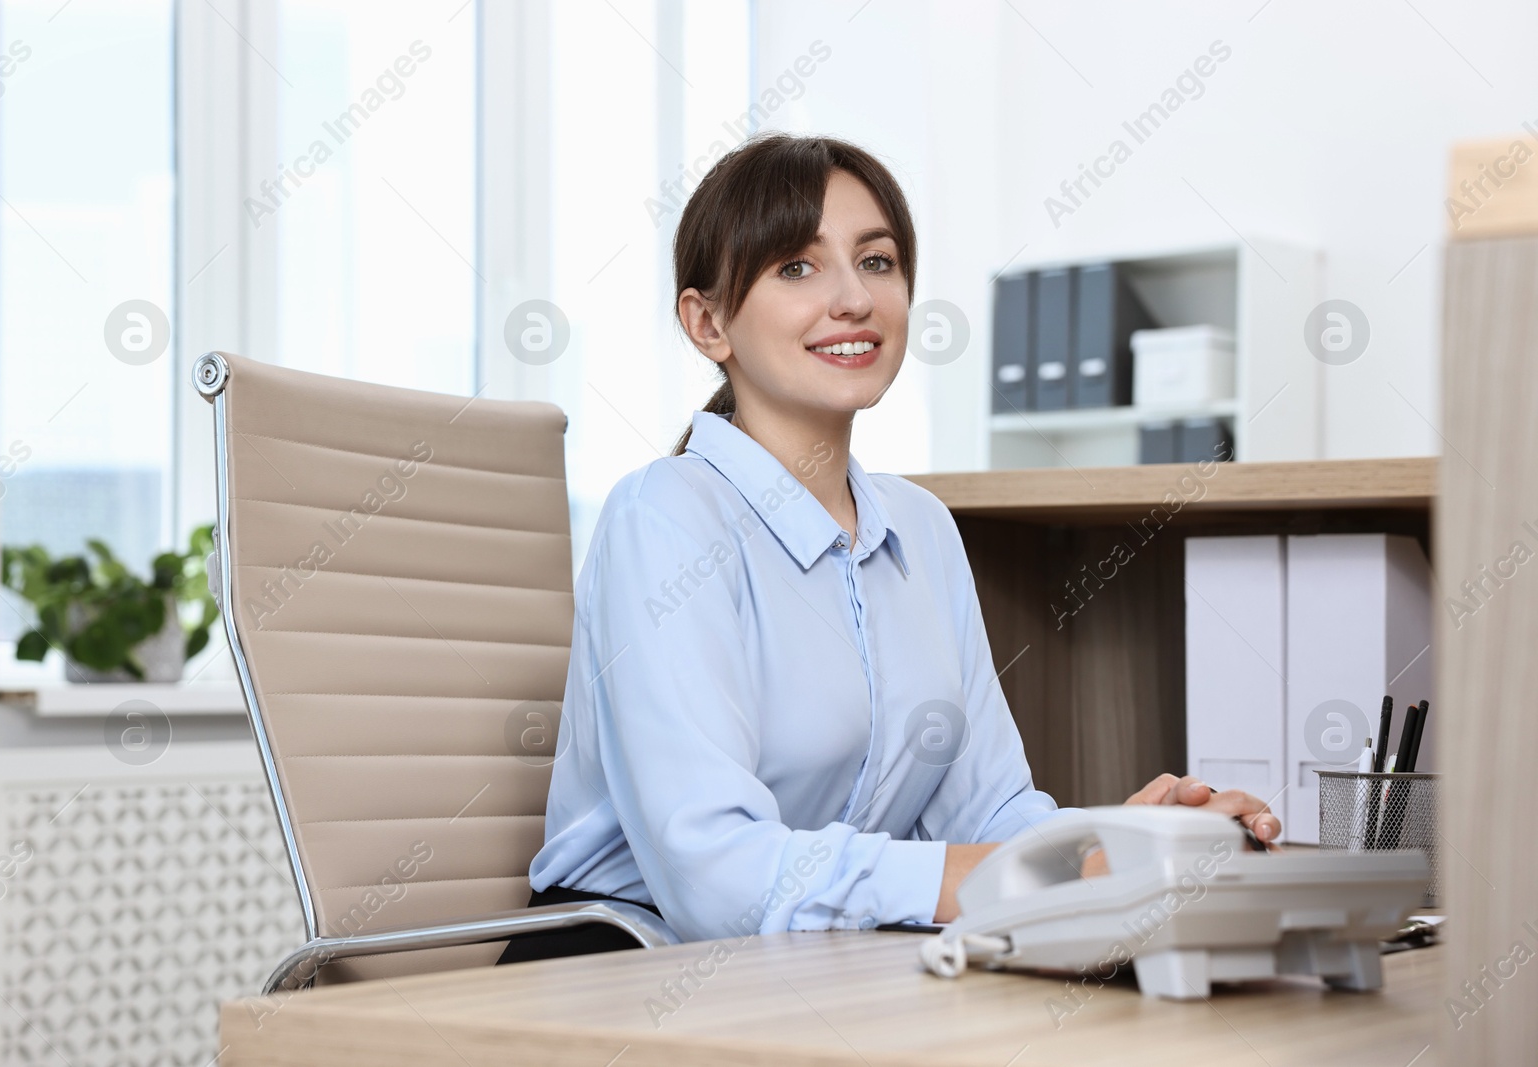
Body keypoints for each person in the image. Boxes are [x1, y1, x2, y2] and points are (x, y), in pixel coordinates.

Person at [496, 133, 1278, 965]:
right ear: (707, 321)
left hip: (829, 963)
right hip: (625, 966)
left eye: (877, 261)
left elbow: (990, 816)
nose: (853, 299)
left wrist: (1131, 845)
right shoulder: (666, 516)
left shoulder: (922, 528)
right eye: (797, 267)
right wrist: (1027, 874)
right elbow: (718, 880)